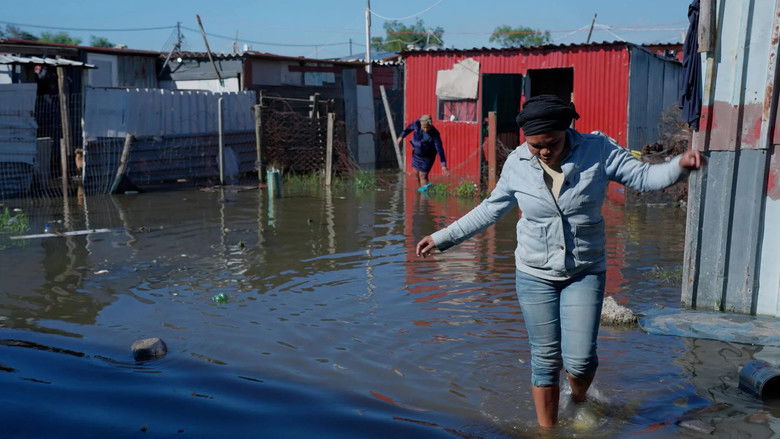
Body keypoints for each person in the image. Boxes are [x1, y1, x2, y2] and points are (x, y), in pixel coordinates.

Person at [415, 94, 704, 428]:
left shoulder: (598, 150)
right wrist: (443, 237)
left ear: (566, 130)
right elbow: (490, 208)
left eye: (550, 143)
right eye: (535, 145)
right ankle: (547, 432)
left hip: (584, 271)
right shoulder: (518, 162)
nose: (543, 152)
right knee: (545, 360)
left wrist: (678, 167)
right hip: (534, 273)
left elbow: (642, 177)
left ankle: (579, 399)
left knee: (580, 361)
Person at [398, 114, 448, 192]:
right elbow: (408, 129)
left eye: (427, 127)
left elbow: (440, 149)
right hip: (416, 154)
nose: (425, 129)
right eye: (424, 127)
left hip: (428, 156)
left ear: (430, 125)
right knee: (416, 174)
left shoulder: (434, 134)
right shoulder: (417, 124)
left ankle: (424, 197)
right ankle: (421, 191)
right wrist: (401, 136)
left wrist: (443, 165)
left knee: (422, 175)